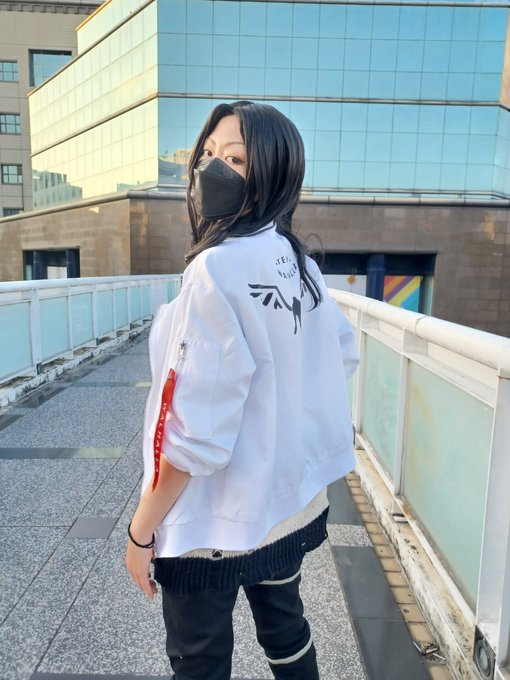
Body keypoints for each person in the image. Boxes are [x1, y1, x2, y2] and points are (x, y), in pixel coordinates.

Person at [125, 100, 359, 680]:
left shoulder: (215, 270)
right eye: (208, 154)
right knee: (287, 633)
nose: (212, 169)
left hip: (211, 522)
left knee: (200, 660)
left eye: (235, 159)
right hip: (284, 504)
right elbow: (342, 355)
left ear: (274, 173)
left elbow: (195, 436)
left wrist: (141, 530)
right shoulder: (298, 263)